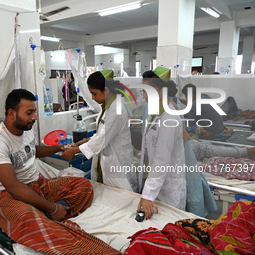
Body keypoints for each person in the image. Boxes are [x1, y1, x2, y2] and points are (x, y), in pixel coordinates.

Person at [0, 89, 113, 254]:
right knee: (29, 220)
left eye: (34, 112)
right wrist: (52, 207)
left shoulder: (26, 130)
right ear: (12, 113)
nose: (35, 117)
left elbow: (33, 150)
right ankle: (52, 219)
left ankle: (47, 215)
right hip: (7, 196)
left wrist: (60, 147)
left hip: (36, 186)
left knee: (83, 185)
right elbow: (13, 187)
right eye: (29, 113)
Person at [62, 71, 137, 192]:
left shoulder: (116, 110)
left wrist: (74, 151)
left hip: (118, 164)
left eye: (94, 93)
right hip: (107, 162)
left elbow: (102, 139)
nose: (92, 98)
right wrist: (86, 141)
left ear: (106, 90)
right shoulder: (107, 107)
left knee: (123, 199)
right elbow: (103, 133)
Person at [137, 70, 186, 219]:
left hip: (169, 190)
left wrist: (147, 195)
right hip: (156, 185)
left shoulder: (169, 119)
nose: (144, 96)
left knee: (168, 229)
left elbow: (161, 160)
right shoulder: (154, 115)